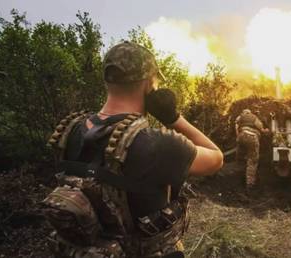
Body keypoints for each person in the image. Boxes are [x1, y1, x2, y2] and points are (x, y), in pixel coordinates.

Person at [43, 41, 223, 258]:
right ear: (148, 85)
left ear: (107, 81)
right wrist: (173, 118)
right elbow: (216, 158)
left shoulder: (70, 131)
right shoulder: (158, 144)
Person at [235, 109, 269, 189]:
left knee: (240, 153)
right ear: (250, 113)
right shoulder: (254, 117)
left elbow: (236, 127)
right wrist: (266, 130)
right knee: (253, 161)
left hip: (241, 135)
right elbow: (261, 128)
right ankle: (250, 184)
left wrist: (238, 137)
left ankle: (238, 165)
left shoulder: (239, 117)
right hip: (252, 137)